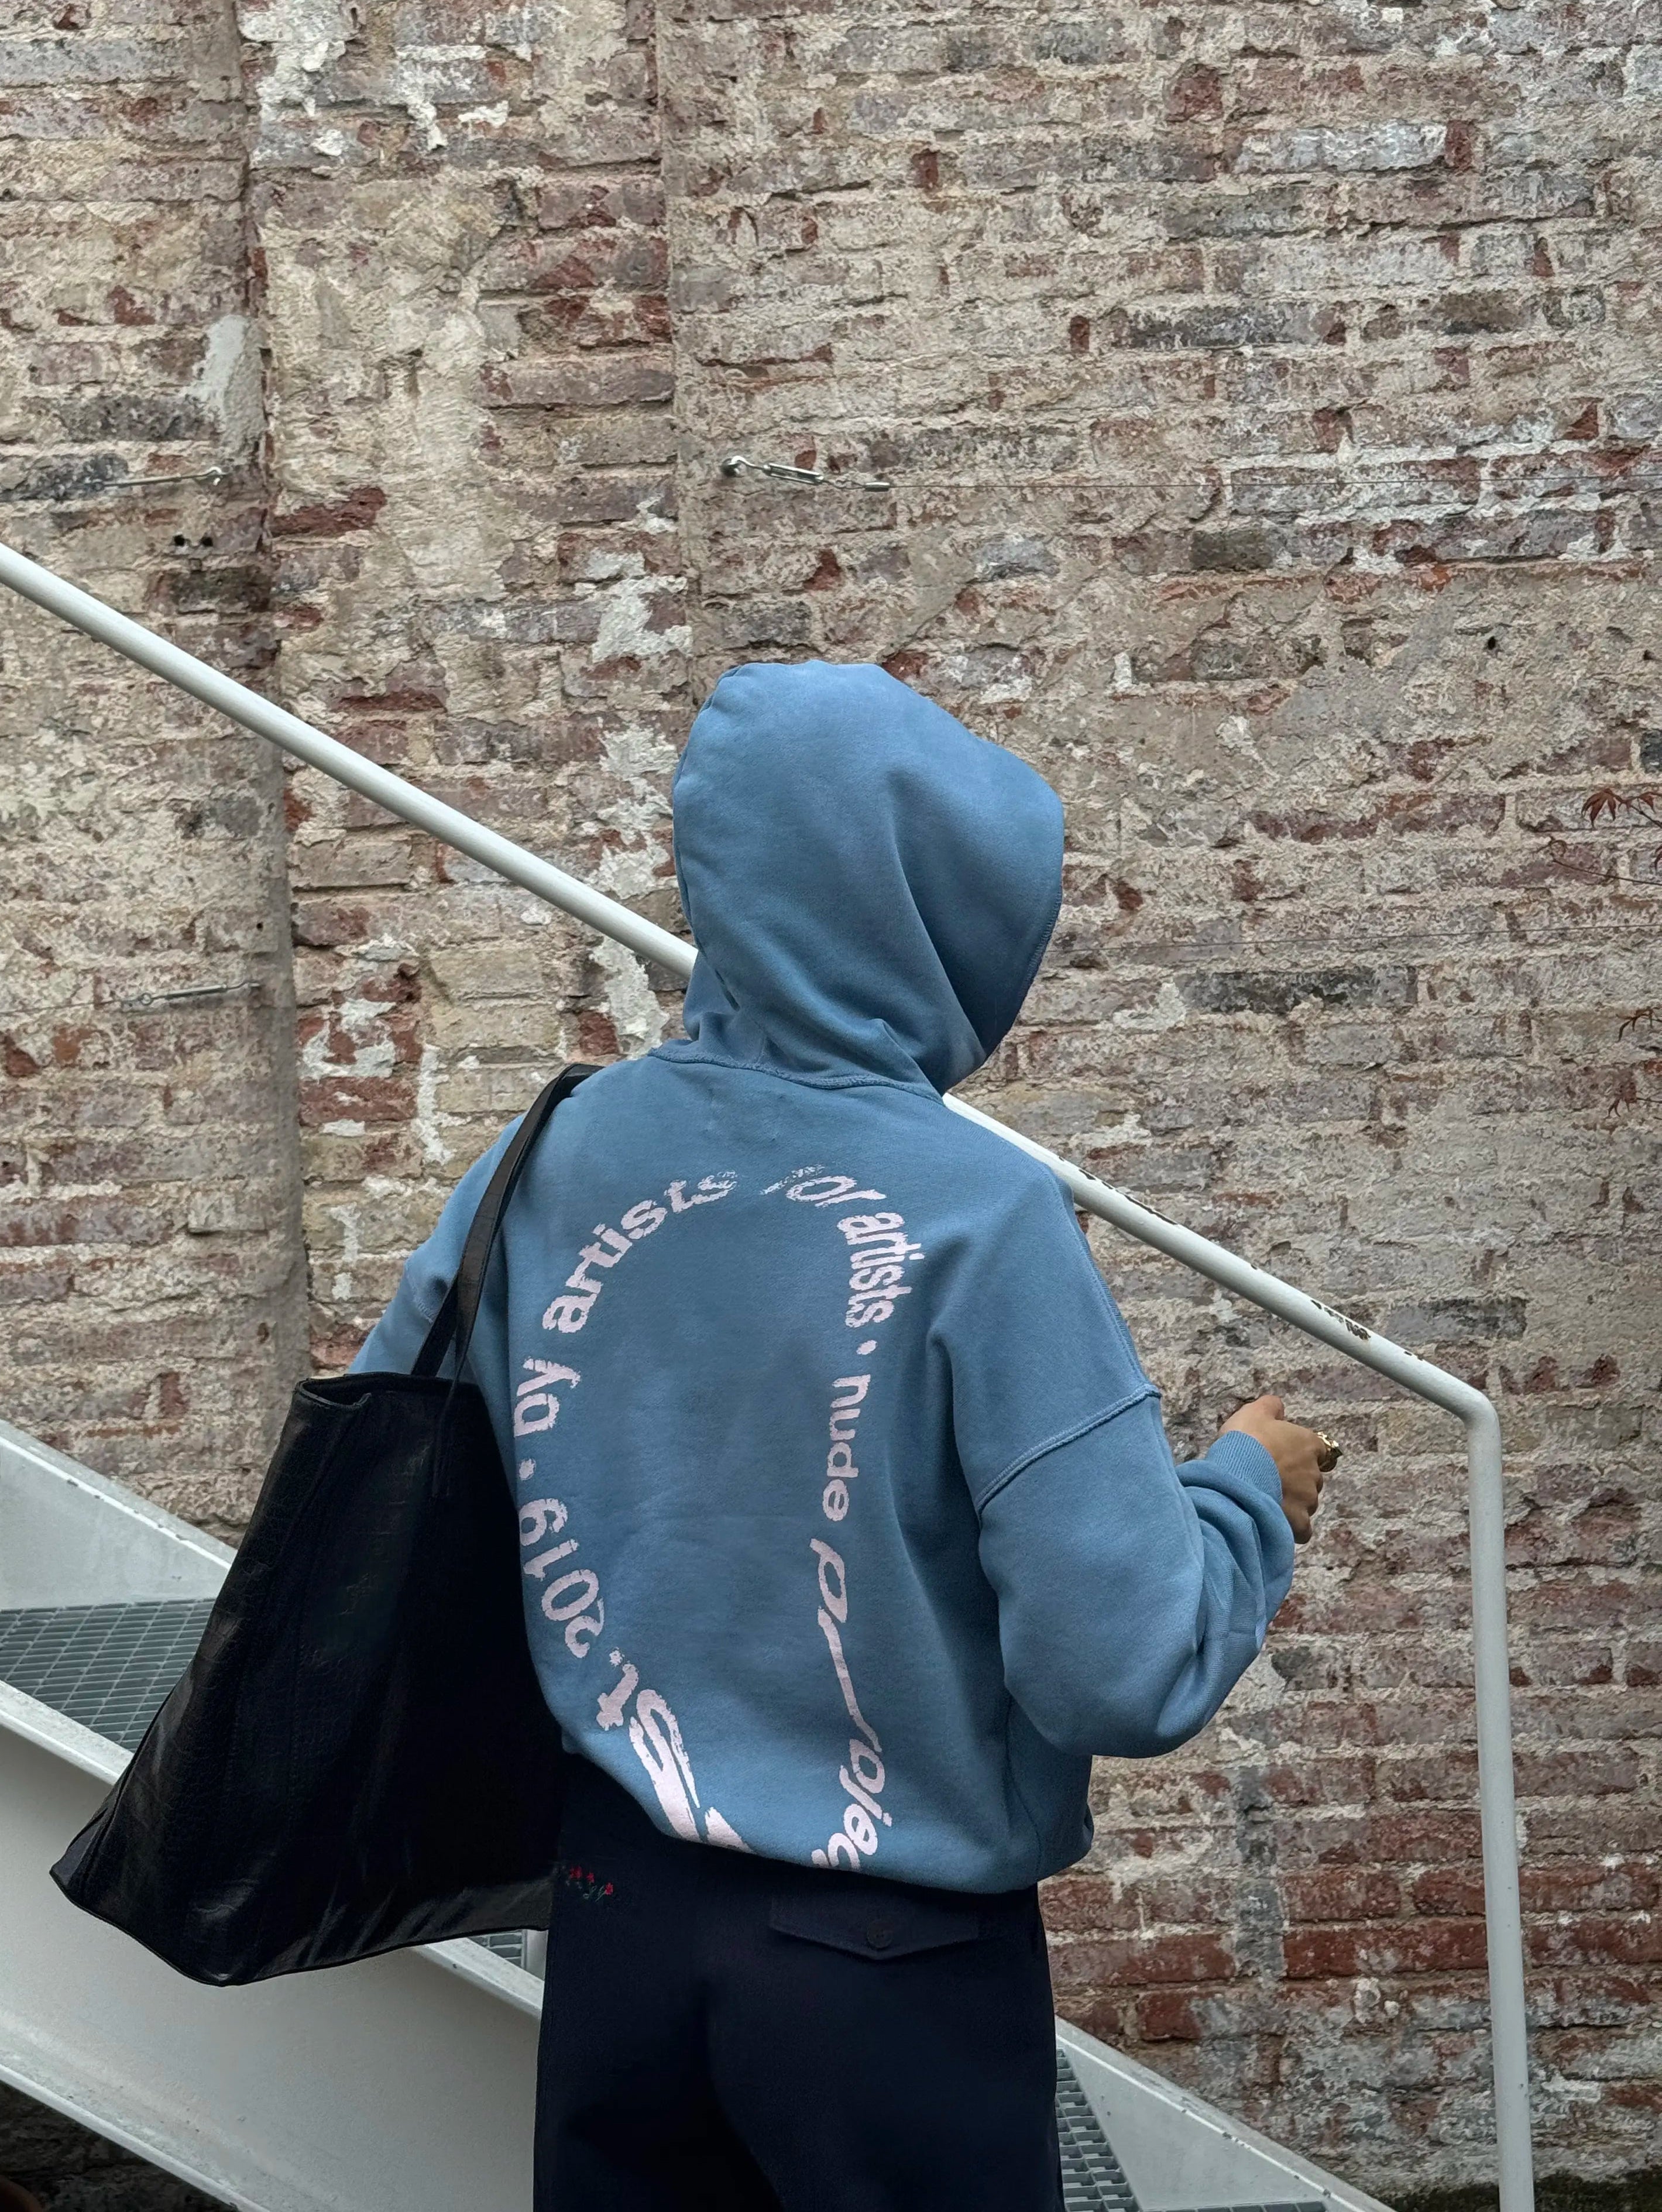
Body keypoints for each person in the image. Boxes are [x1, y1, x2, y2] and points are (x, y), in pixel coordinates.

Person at [352, 660, 1328, 2211]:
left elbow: (397, 1466)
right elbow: (1118, 1667)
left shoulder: (553, 1152)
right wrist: (1244, 1495)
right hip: (892, 1968)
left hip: (615, 1915)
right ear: (948, 924)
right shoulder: (984, 1216)